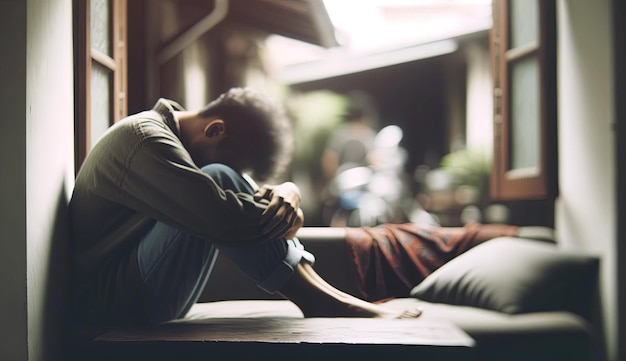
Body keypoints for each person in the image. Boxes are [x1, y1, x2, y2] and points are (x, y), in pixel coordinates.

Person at [68, 87, 421, 335]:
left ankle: (326, 297)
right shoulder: (145, 140)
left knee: (220, 177)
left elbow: (247, 199)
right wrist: (281, 207)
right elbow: (221, 217)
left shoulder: (173, 137)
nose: (238, 176)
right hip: (116, 303)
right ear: (216, 129)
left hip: (147, 291)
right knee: (217, 178)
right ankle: (321, 300)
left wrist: (287, 191)